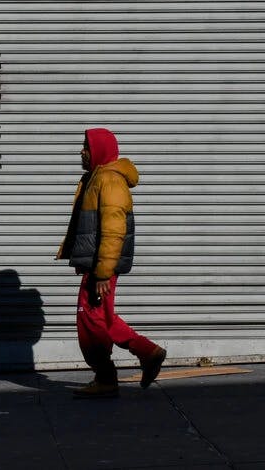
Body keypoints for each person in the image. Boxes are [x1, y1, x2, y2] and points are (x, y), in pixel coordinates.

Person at [56, 127, 167, 398]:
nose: (82, 152)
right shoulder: (98, 178)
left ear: (100, 151)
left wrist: (103, 272)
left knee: (90, 320)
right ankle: (145, 353)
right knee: (100, 316)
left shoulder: (109, 180)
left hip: (100, 267)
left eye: (87, 147)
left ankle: (110, 375)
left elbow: (114, 228)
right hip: (97, 265)